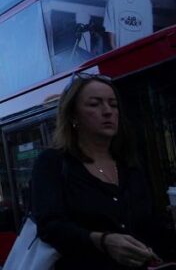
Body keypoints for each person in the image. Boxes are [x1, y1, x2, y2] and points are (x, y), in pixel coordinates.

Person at [30, 73, 172, 269]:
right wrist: (101, 240)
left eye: (113, 105)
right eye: (94, 104)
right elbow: (50, 227)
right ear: (73, 116)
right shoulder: (52, 163)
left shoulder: (130, 164)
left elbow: (151, 225)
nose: (107, 111)